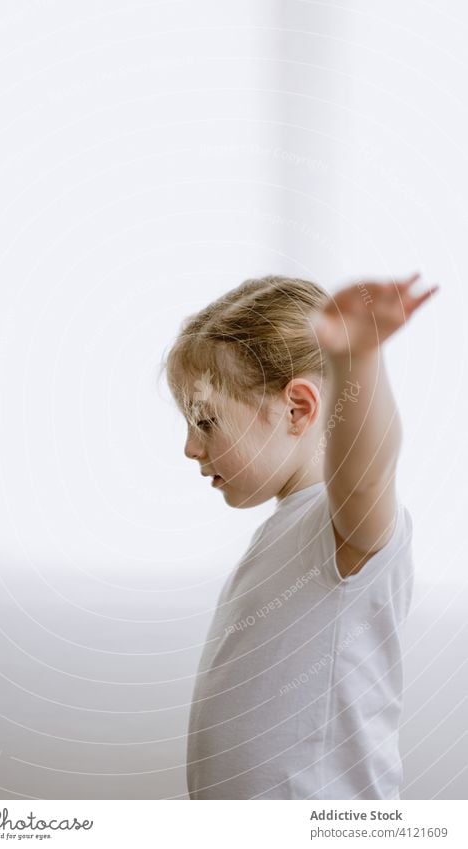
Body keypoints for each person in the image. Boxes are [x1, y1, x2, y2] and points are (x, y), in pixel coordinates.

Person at [163, 272, 439, 800]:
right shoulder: (284, 528)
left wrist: (356, 359)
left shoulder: (339, 527)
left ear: (298, 409)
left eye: (205, 421)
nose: (190, 448)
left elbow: (367, 475)